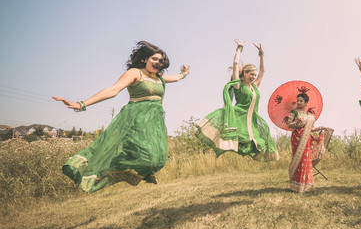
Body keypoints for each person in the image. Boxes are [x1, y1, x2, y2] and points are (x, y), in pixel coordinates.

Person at [53, 41, 190, 192]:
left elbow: (176, 78)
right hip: (135, 120)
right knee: (144, 155)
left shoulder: (159, 78)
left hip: (154, 124)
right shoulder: (135, 73)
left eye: (161, 60)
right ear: (145, 59)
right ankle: (98, 168)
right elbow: (113, 90)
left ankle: (144, 172)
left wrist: (184, 73)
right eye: (154, 59)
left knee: (159, 159)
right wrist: (82, 104)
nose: (158, 62)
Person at [197, 40, 279, 161]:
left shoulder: (254, 86)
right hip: (239, 116)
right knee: (239, 138)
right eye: (251, 74)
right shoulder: (238, 85)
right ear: (245, 73)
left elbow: (263, 71)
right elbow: (236, 63)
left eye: (255, 75)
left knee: (259, 140)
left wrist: (261, 54)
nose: (254, 77)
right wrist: (239, 48)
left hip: (252, 118)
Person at [284, 93, 333, 192]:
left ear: (306, 102)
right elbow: (289, 125)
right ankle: (296, 184)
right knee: (299, 159)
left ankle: (306, 185)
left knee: (306, 159)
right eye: (297, 100)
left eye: (301, 101)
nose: (298, 102)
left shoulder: (309, 116)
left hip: (306, 138)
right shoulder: (294, 112)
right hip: (297, 138)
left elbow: (311, 128)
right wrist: (296, 123)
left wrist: (322, 127)